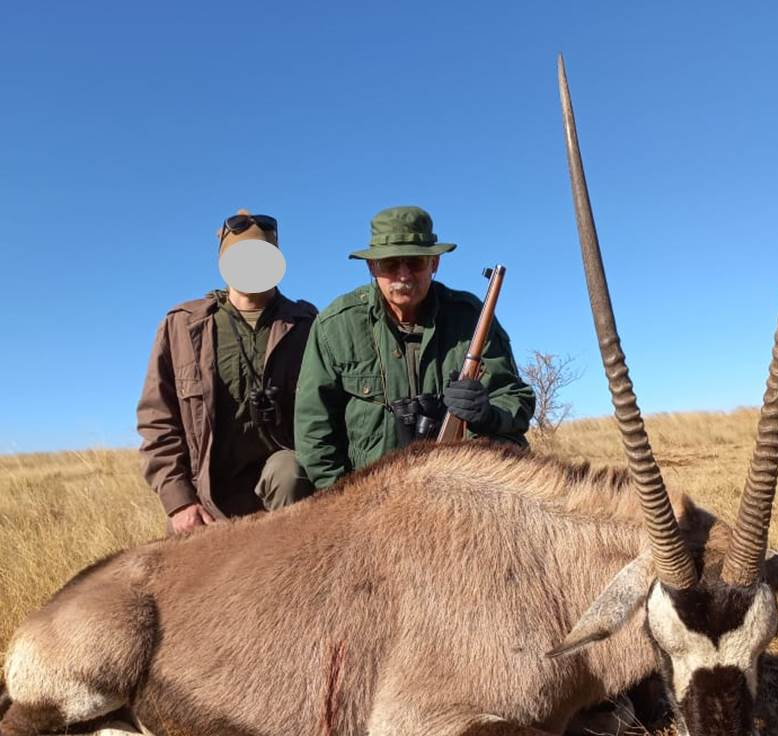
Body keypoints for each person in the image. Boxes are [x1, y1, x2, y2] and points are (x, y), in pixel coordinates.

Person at [294, 205, 534, 490]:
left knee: (512, 449)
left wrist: (489, 413)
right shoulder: (334, 326)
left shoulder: (469, 316)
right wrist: (341, 501)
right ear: (372, 267)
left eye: (416, 262)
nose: (404, 275)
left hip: (460, 487)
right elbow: (314, 428)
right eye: (390, 264)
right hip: (368, 496)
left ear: (434, 264)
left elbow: (514, 396)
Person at [138, 210, 316, 533]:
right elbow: (157, 420)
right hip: (206, 498)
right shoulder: (182, 326)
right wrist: (179, 502)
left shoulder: (307, 325)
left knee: (290, 471)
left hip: (283, 491)